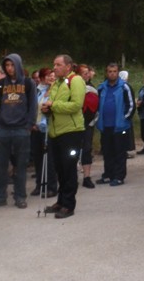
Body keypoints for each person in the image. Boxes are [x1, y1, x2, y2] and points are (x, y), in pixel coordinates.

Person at [0, 54, 36, 210]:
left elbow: (33, 105)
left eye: (12, 65)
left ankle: (20, 196)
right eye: (7, 65)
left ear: (18, 65)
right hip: (2, 129)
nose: (9, 68)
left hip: (21, 129)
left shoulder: (28, 83)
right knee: (0, 165)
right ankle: (0, 197)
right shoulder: (0, 84)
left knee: (20, 166)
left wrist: (29, 125)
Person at [41, 54, 85, 219]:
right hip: (56, 131)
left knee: (69, 168)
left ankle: (68, 204)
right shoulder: (56, 83)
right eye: (54, 64)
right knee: (60, 168)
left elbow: (76, 105)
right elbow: (52, 105)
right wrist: (47, 109)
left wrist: (53, 105)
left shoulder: (76, 80)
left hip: (71, 131)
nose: (55, 67)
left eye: (58, 64)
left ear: (68, 66)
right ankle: (61, 201)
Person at [95, 63, 135, 185]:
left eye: (114, 71)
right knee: (107, 152)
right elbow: (97, 105)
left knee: (120, 152)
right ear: (106, 73)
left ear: (118, 73)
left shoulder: (125, 87)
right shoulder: (101, 88)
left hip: (120, 127)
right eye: (110, 71)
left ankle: (119, 177)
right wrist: (98, 120)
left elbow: (131, 105)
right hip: (105, 126)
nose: (112, 74)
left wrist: (124, 119)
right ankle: (108, 175)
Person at [30, 68, 56, 198]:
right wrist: (31, 123)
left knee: (49, 159)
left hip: (49, 128)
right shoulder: (37, 90)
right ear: (41, 78)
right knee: (38, 158)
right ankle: (40, 184)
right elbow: (32, 107)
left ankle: (51, 186)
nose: (50, 78)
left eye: (52, 75)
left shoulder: (55, 90)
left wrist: (51, 88)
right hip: (36, 128)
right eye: (47, 76)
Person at [76, 64, 98, 189]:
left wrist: (91, 121)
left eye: (87, 72)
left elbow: (96, 108)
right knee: (73, 151)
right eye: (84, 73)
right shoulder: (71, 87)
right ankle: (72, 177)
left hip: (88, 124)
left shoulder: (92, 88)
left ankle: (87, 177)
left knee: (86, 149)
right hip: (74, 124)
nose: (87, 75)